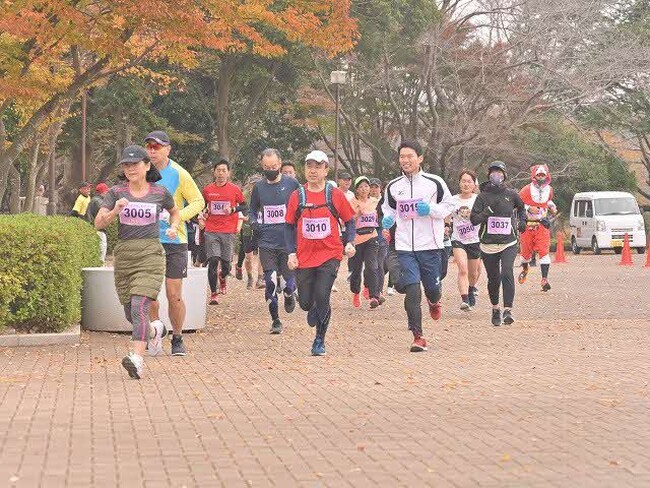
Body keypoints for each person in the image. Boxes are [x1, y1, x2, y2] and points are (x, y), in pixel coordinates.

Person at [95, 145, 180, 379]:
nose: (130, 168)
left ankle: (137, 359)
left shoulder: (160, 192)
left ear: (147, 165)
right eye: (126, 165)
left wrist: (174, 227)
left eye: (135, 164)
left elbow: (174, 212)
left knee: (139, 305)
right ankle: (154, 330)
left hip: (151, 254)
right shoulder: (115, 192)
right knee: (131, 314)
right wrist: (114, 210)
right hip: (125, 256)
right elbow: (98, 223)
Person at [381, 140, 454, 352]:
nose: (405, 160)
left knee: (432, 288)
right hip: (404, 246)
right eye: (402, 157)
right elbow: (388, 209)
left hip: (430, 245)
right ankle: (418, 336)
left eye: (409, 156)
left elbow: (449, 205)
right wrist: (388, 219)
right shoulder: (394, 186)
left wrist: (430, 209)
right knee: (412, 289)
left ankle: (434, 300)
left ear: (420, 158)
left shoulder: (434, 183)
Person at [285, 150, 356, 356]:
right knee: (307, 303)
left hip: (329, 254)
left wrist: (349, 242)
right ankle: (309, 302)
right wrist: (291, 253)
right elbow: (288, 226)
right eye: (309, 166)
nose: (313, 170)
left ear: (326, 170)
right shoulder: (297, 196)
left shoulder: (334, 195)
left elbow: (349, 221)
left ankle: (319, 341)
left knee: (323, 295)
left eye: (318, 166)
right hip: (305, 256)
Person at [144, 130, 205, 356]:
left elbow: (199, 201)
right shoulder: (141, 171)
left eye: (156, 147)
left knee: (173, 294)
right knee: (149, 294)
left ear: (167, 149)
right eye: (149, 147)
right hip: (148, 240)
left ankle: (177, 337)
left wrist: (178, 216)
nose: (152, 151)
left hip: (174, 241)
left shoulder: (179, 173)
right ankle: (156, 331)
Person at [249, 149, 301, 333]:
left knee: (287, 282)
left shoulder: (292, 184)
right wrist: (254, 222)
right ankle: (276, 320)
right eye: (266, 167)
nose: (270, 169)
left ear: (280, 164)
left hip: (287, 241)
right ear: (262, 167)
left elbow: (301, 205)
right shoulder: (259, 187)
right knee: (270, 281)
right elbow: (252, 210)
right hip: (267, 241)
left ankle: (289, 294)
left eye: (273, 166)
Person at [470, 161, 527, 326]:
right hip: (488, 244)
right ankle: (495, 308)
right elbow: (473, 220)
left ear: (504, 176)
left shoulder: (511, 194)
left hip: (508, 242)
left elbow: (522, 209)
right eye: (494, 172)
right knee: (493, 278)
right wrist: (485, 214)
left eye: (500, 172)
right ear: (488, 175)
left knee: (507, 272)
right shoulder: (482, 197)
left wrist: (522, 221)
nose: (496, 175)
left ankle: (508, 310)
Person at [202, 159, 247, 304]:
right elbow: (202, 206)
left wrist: (233, 209)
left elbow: (244, 207)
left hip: (228, 230)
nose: (221, 173)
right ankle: (214, 294)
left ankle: (223, 277)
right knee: (213, 260)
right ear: (214, 172)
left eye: (224, 170)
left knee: (226, 265)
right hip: (212, 230)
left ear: (228, 173)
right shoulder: (207, 190)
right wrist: (203, 212)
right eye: (218, 170)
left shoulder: (234, 189)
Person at [518, 164, 557, 291]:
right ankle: (525, 269)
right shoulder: (526, 189)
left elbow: (548, 201)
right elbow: (517, 203)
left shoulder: (549, 189)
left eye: (543, 175)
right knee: (525, 256)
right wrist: (529, 208)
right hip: (528, 225)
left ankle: (544, 279)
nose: (541, 177)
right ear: (534, 175)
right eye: (538, 175)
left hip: (542, 225)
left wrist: (552, 207)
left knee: (544, 252)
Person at [451, 170, 482, 310]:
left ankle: (471, 288)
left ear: (474, 184)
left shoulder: (479, 199)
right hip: (458, 239)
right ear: (459, 183)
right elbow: (446, 214)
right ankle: (464, 299)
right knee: (462, 269)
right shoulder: (453, 200)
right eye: (463, 181)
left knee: (474, 273)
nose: (466, 184)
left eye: (469, 181)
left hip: (475, 240)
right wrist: (446, 225)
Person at [348, 176, 381, 309]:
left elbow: (379, 216)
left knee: (372, 266)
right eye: (361, 187)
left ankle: (374, 296)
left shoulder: (374, 201)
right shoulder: (352, 202)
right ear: (356, 189)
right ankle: (356, 292)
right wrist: (357, 215)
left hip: (372, 237)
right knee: (356, 270)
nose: (364, 189)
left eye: (366, 186)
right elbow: (348, 221)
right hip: (357, 239)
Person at [370, 178, 389, 298]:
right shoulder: (365, 201)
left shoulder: (385, 202)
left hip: (382, 234)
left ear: (380, 188)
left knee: (380, 263)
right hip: (368, 236)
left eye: (376, 187)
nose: (373, 190)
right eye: (371, 187)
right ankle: (370, 286)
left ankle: (378, 292)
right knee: (371, 265)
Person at [86, 182, 111, 263]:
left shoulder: (95, 200)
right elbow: (105, 214)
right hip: (98, 230)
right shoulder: (98, 201)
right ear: (103, 192)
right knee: (101, 250)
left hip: (94, 228)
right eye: (107, 192)